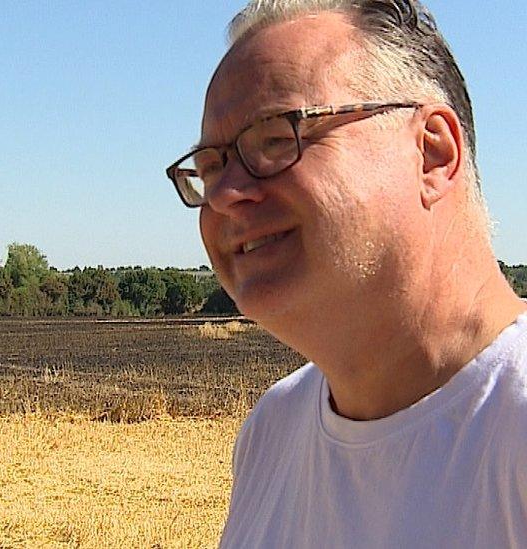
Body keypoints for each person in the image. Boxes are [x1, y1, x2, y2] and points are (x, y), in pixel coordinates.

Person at [165, 1, 527, 546]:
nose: (227, 195)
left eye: (276, 139)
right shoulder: (273, 432)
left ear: (431, 154)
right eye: (213, 166)